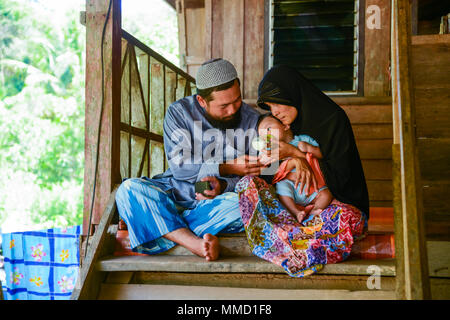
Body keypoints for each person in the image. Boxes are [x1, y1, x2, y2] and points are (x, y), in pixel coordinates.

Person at [115, 59, 267, 261]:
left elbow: (260, 176)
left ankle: (161, 226)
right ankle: (194, 243)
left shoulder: (251, 119)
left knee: (249, 204)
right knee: (128, 189)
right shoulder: (179, 113)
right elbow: (180, 168)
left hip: (214, 203)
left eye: (237, 100)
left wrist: (222, 184)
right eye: (224, 106)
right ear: (202, 101)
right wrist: (227, 167)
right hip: (173, 194)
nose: (233, 110)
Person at [235, 65, 368, 277]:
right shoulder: (281, 127)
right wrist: (288, 160)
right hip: (294, 214)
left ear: (293, 93)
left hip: (331, 208)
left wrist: (297, 153)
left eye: (277, 102)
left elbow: (344, 177)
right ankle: (291, 241)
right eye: (270, 106)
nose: (275, 111)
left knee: (345, 217)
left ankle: (299, 247)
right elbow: (270, 179)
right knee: (248, 185)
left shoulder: (334, 120)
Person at [256, 115, 333, 223]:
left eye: (268, 129)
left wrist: (310, 148)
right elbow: (265, 170)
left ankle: (314, 212)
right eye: (262, 135)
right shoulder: (268, 150)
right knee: (281, 187)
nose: (266, 136)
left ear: (285, 126)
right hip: (291, 186)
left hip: (313, 186)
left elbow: (323, 155)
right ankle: (296, 212)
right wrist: (264, 157)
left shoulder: (303, 140)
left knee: (326, 193)